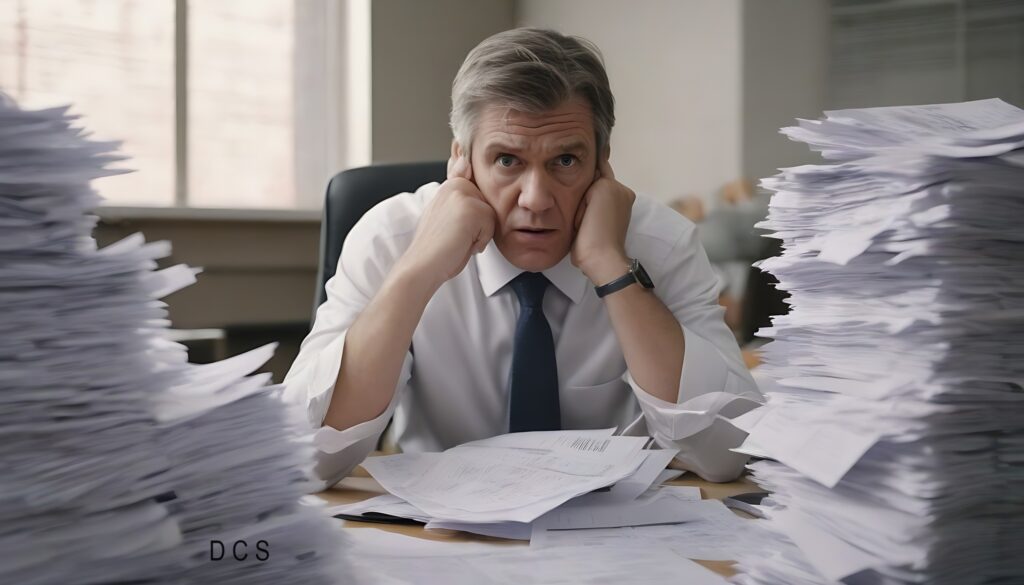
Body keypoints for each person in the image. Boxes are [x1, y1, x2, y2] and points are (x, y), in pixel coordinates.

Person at [283, 28, 762, 489]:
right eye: (508, 160)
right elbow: (301, 459)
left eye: (565, 162)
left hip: (609, 541)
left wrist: (611, 268)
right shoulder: (390, 238)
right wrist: (418, 270)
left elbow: (729, 453)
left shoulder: (661, 245)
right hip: (437, 539)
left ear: (603, 164)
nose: (535, 198)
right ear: (461, 161)